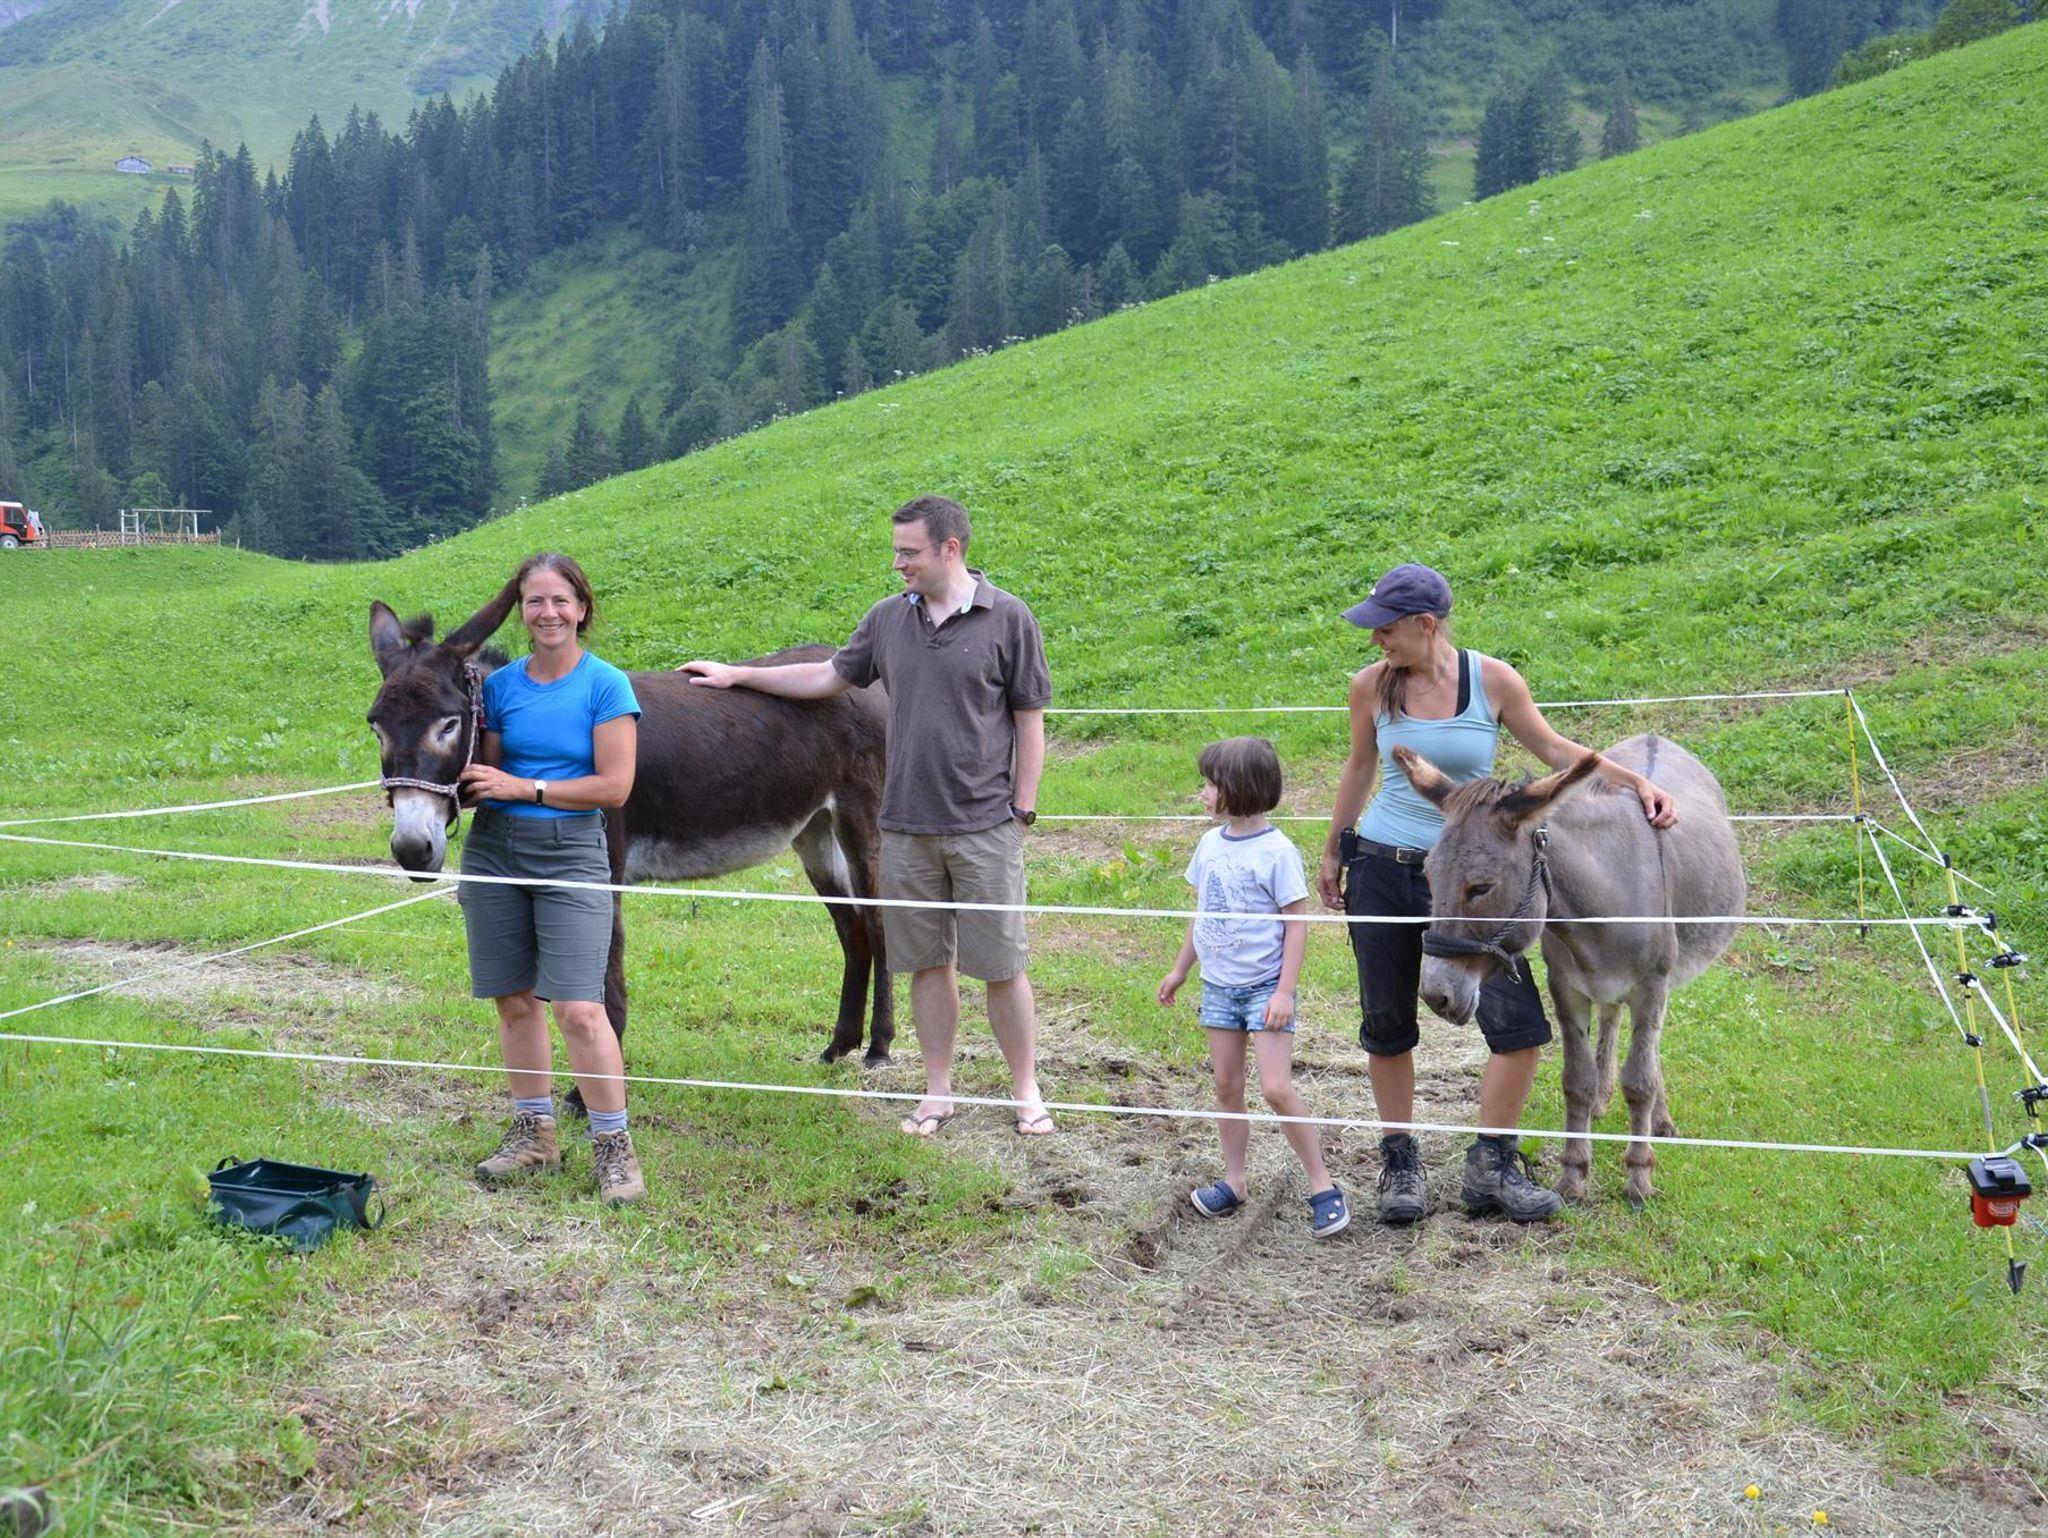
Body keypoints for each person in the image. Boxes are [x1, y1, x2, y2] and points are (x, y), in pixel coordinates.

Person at [681, 494, 1056, 1137]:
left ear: (950, 549)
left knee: (1002, 967)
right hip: (904, 828)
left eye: (908, 552)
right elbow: (827, 678)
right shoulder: (887, 619)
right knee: (927, 965)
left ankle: (1026, 1091)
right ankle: (937, 1092)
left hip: (984, 828)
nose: (897, 563)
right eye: (896, 551)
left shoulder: (1009, 618)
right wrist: (738, 675)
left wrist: (1021, 808)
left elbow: (1030, 719)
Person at [1316, 563, 1676, 1225]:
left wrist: (1635, 782)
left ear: (1426, 625)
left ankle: (1494, 1162)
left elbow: (1552, 749)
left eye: (1386, 629)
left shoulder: (1492, 680)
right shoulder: (1369, 686)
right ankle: (1400, 1163)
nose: (1376, 641)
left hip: (1479, 877)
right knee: (1388, 1022)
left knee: (1519, 1027)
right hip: (1386, 870)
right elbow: (1360, 765)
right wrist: (1338, 845)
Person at [456, 552, 646, 1207]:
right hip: (494, 852)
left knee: (579, 1009)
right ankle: (534, 1134)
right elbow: (485, 776)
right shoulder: (500, 689)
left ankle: (614, 1148)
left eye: (561, 600)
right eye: (535, 601)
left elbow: (614, 787)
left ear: (582, 608)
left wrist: (527, 788)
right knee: (513, 999)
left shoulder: (606, 686)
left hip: (571, 854)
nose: (548, 613)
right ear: (521, 611)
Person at [1158, 738, 1349, 1239]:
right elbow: (1204, 914)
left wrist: (1284, 992)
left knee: (1275, 1089)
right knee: (1226, 1086)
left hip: (1264, 987)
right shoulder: (1209, 845)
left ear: (1238, 788)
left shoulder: (1277, 851)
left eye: (1210, 784)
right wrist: (1180, 969)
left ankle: (1322, 1185)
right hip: (1218, 987)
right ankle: (1235, 1181)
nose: (1202, 792)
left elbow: (1296, 925)